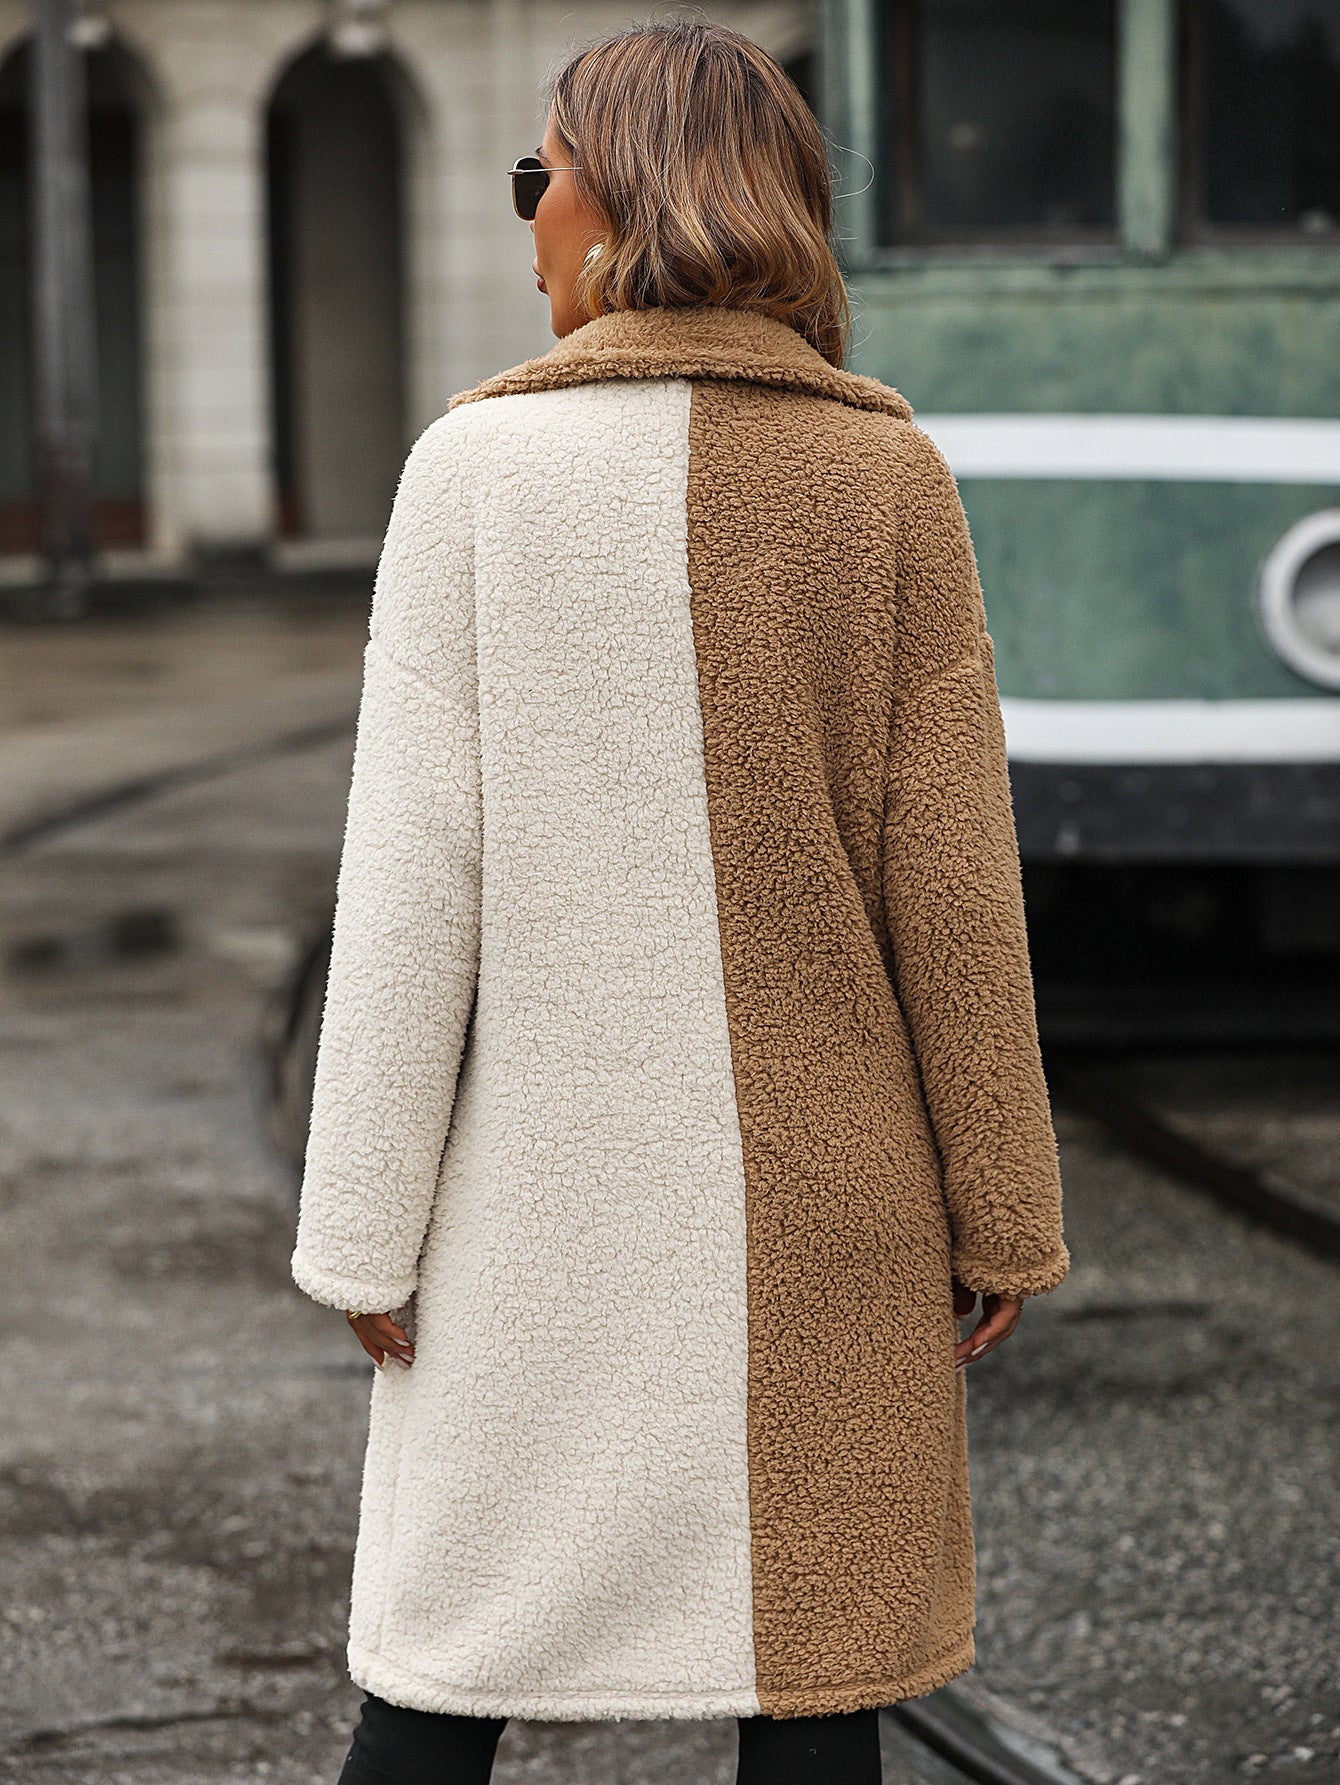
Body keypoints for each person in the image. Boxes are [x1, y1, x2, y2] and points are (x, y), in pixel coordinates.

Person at [291, 21, 1069, 1785]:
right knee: (814, 1684)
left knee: (441, 1670)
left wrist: (361, 1221)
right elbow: (954, 888)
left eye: (535, 175)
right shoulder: (887, 479)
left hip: (525, 1214)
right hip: (833, 1215)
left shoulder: (471, 475)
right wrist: (1002, 1202)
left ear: (616, 197)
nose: (527, 219)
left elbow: (413, 885)